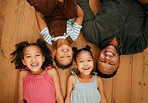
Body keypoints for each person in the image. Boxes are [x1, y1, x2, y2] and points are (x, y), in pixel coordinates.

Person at [77, 0, 148, 78]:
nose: (107, 57)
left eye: (102, 61)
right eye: (111, 63)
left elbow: (81, 2)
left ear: (97, 58)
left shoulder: (91, 33)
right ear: (118, 64)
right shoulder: (138, 46)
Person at [26, 0, 84, 69]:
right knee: (71, 14)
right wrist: (73, 7)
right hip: (64, 7)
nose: (65, 54)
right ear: (72, 52)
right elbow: (80, 16)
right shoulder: (73, 36)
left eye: (61, 57)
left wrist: (39, 7)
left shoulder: (49, 39)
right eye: (69, 56)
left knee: (41, 7)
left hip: (50, 9)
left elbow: (39, 18)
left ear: (55, 53)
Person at [11, 39, 64, 103]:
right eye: (28, 56)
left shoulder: (51, 72)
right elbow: (20, 100)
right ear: (23, 61)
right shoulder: (23, 74)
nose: (33, 59)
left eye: (37, 55)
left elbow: (59, 98)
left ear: (43, 58)